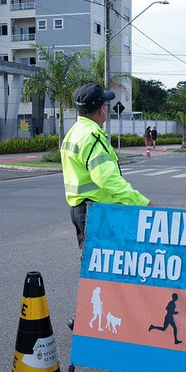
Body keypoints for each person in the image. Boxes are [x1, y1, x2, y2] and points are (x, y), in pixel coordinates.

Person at [60, 82, 153, 250]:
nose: (107, 107)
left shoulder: (73, 132)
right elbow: (108, 180)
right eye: (105, 104)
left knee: (93, 264)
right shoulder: (92, 136)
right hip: (97, 211)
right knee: (104, 266)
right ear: (101, 109)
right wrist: (143, 203)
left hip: (80, 209)